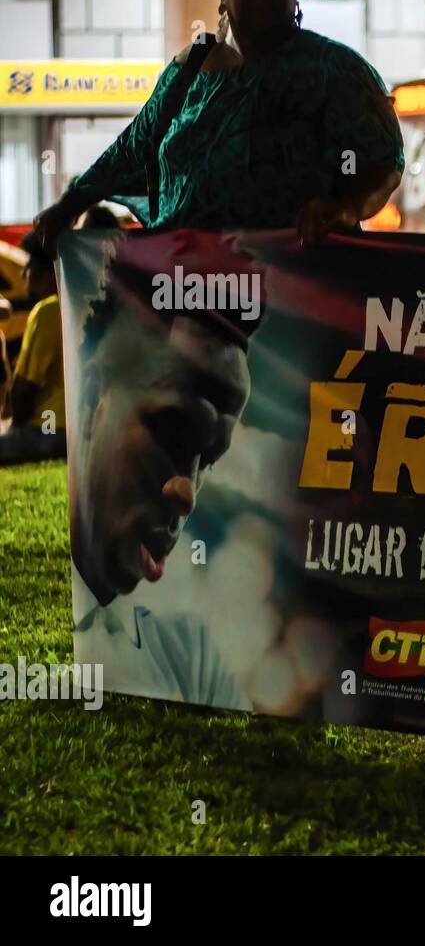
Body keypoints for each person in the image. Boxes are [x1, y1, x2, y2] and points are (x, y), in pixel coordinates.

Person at [33, 0, 403, 252]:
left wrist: (343, 209)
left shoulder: (335, 70)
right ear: (224, 0)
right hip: (182, 295)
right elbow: (132, 149)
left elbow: (380, 162)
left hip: (291, 306)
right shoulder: (188, 69)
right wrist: (70, 205)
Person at [67, 233, 260, 710]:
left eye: (207, 459)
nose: (186, 493)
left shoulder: (190, 653)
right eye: (171, 436)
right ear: (91, 401)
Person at [0, 233, 66, 466]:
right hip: (82, 430)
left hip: (50, 428)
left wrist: (15, 425)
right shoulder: (85, 305)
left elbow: (24, 391)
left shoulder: (47, 311)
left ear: (46, 273)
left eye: (28, 265)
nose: (23, 273)